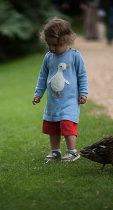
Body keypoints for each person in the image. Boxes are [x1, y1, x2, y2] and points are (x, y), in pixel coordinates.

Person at [32, 17, 89, 162]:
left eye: (55, 45)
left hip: (70, 100)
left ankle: (72, 151)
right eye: (49, 45)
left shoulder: (75, 56)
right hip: (53, 101)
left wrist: (84, 92)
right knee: (53, 125)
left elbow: (82, 75)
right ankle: (55, 151)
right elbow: (43, 77)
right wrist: (38, 94)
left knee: (66, 123)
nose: (51, 48)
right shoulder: (49, 57)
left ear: (67, 40)